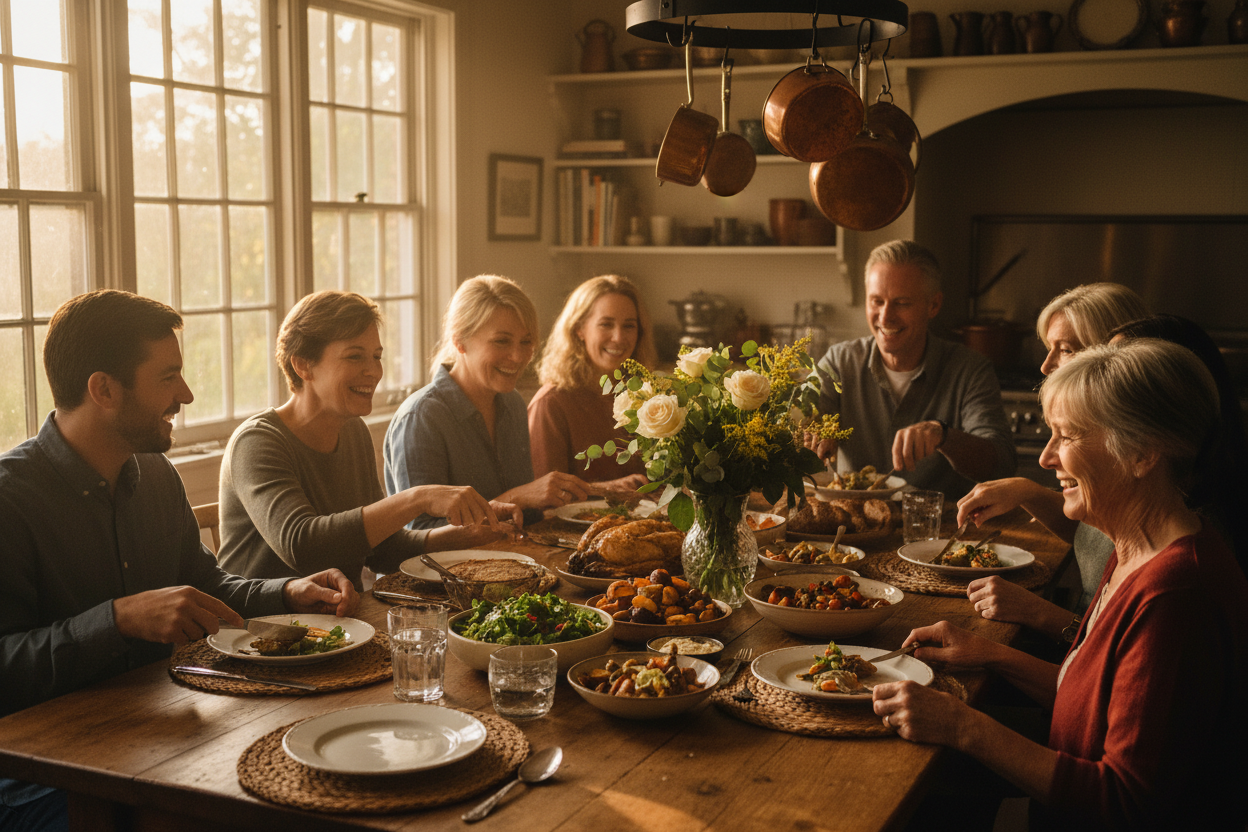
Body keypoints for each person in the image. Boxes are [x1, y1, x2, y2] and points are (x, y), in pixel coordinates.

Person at [0, 290, 359, 829]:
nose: (186, 394)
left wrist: (288, 592)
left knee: (318, 784)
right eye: (168, 377)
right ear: (104, 389)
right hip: (43, 779)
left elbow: (205, 586)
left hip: (157, 738)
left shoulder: (156, 476)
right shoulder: (11, 500)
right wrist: (117, 620)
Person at [873, 339, 1248, 831]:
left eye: (1066, 436)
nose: (1046, 458)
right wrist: (988, 654)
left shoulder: (1176, 593)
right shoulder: (1135, 549)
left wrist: (964, 726)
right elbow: (1092, 706)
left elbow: (1123, 801)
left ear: (1142, 453)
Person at [217, 291, 522, 590]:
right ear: (303, 365)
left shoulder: (353, 431)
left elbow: (382, 551)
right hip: (258, 621)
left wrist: (463, 534)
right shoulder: (257, 442)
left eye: (376, 357)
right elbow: (302, 547)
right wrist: (418, 498)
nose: (374, 371)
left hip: (339, 615)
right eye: (354, 356)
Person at [956, 283, 1148, 639]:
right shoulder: (1119, 477)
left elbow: (1104, 654)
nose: (1045, 366)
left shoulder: (1143, 480)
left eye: (1066, 349)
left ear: (1115, 355)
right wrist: (1028, 492)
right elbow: (1092, 534)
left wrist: (1037, 612)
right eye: (1049, 348)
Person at [384, 276, 592, 541]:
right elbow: (419, 534)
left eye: (526, 342)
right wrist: (517, 497)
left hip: (507, 557)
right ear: (459, 341)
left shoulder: (513, 404)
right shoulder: (421, 417)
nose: (518, 356)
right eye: (502, 341)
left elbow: (524, 519)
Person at [810, 240, 1015, 500]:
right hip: (854, 521)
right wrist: (810, 436)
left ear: (934, 305)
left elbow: (1002, 465)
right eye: (877, 301)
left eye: (902, 303)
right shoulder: (839, 362)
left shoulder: (970, 370)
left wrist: (944, 436)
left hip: (938, 523)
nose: (885, 317)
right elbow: (805, 424)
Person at [528, 275, 654, 490]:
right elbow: (543, 495)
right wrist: (606, 489)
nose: (618, 337)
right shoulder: (551, 404)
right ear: (579, 329)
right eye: (606, 324)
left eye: (629, 326)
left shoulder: (645, 394)